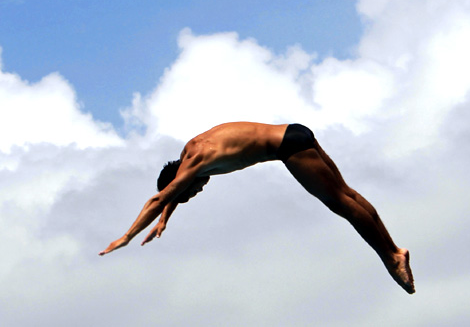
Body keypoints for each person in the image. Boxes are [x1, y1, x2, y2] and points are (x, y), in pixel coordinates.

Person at [99, 122, 415, 294]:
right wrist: (165, 219)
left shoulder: (197, 161)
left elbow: (159, 197)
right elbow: (171, 192)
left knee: (339, 203)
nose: (199, 192)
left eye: (191, 193)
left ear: (184, 178)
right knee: (347, 195)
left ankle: (390, 257)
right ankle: (395, 249)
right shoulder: (189, 155)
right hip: (295, 131)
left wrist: (126, 237)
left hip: (288, 148)